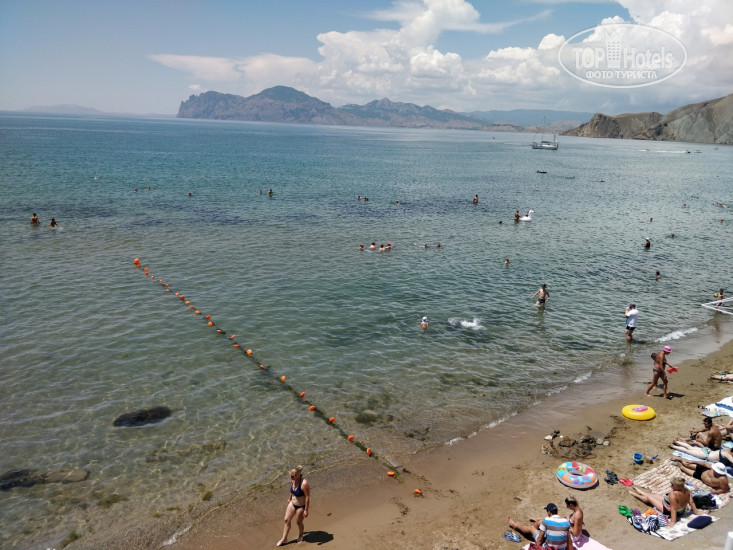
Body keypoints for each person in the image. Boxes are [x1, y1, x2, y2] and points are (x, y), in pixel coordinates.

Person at [627, 476, 703, 527]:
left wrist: (673, 521)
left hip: (668, 510)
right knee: (656, 495)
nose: (671, 486)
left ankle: (635, 495)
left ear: (677, 486)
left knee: (650, 498)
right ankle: (642, 492)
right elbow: (691, 502)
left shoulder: (673, 494)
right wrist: (696, 512)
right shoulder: (686, 490)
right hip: (681, 510)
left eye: (672, 485)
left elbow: (673, 509)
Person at [507, 502, 573, 550]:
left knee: (532, 528)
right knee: (540, 524)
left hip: (549, 548)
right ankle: (525, 528)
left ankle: (515, 526)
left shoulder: (546, 520)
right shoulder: (566, 522)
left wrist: (537, 547)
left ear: (549, 512)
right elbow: (569, 541)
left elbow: (540, 539)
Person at [276, 465, 310, 547]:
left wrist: (306, 510)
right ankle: (284, 538)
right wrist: (289, 498)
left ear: (298, 475)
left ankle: (301, 535)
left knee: (298, 522)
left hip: (301, 506)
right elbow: (292, 490)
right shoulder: (293, 480)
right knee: (286, 520)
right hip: (293, 503)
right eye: (290, 475)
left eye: (292, 476)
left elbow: (307, 497)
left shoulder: (304, 483)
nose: (291, 477)